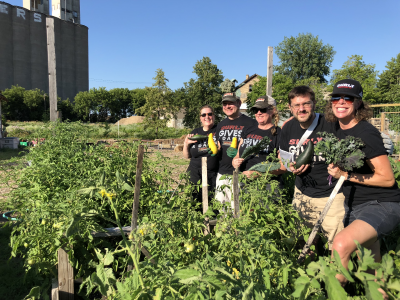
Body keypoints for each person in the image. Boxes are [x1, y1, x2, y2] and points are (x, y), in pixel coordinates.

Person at [325, 79, 400, 289]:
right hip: (355, 204)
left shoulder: (366, 133)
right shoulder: (337, 127)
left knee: (340, 245)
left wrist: (346, 175)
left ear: (358, 103)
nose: (341, 101)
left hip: (381, 204)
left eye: (348, 98)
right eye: (336, 97)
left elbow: (387, 178)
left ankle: (332, 293)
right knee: (370, 271)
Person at [278, 86, 346, 249]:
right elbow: (284, 160)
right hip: (302, 194)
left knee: (337, 246)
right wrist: (291, 167)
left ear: (314, 103)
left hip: (332, 194)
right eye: (296, 105)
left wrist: (340, 166)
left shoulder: (331, 124)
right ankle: (309, 272)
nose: (301, 109)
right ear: (290, 107)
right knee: (303, 242)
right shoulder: (288, 127)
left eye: (306, 104)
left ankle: (336, 274)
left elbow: (348, 153)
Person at [214, 92, 258, 209]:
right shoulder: (221, 125)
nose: (227, 106)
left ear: (239, 103)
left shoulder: (251, 123)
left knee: (240, 210)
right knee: (222, 209)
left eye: (231, 103)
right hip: (222, 173)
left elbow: (256, 146)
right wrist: (214, 150)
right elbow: (218, 146)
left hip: (241, 174)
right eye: (225, 104)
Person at [232, 96, 282, 179]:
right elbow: (238, 154)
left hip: (265, 185)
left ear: (273, 111)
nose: (259, 113)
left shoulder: (279, 133)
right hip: (243, 182)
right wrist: (235, 161)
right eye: (256, 110)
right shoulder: (247, 129)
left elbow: (283, 166)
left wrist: (260, 174)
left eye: (263, 109)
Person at [183, 105, 218, 206]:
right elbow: (187, 156)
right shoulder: (195, 132)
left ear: (214, 116)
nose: (207, 117)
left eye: (209, 114)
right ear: (200, 118)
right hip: (194, 173)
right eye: (203, 115)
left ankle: (211, 221)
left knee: (212, 201)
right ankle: (198, 221)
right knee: (196, 201)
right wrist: (186, 144)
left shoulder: (219, 131)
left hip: (212, 173)